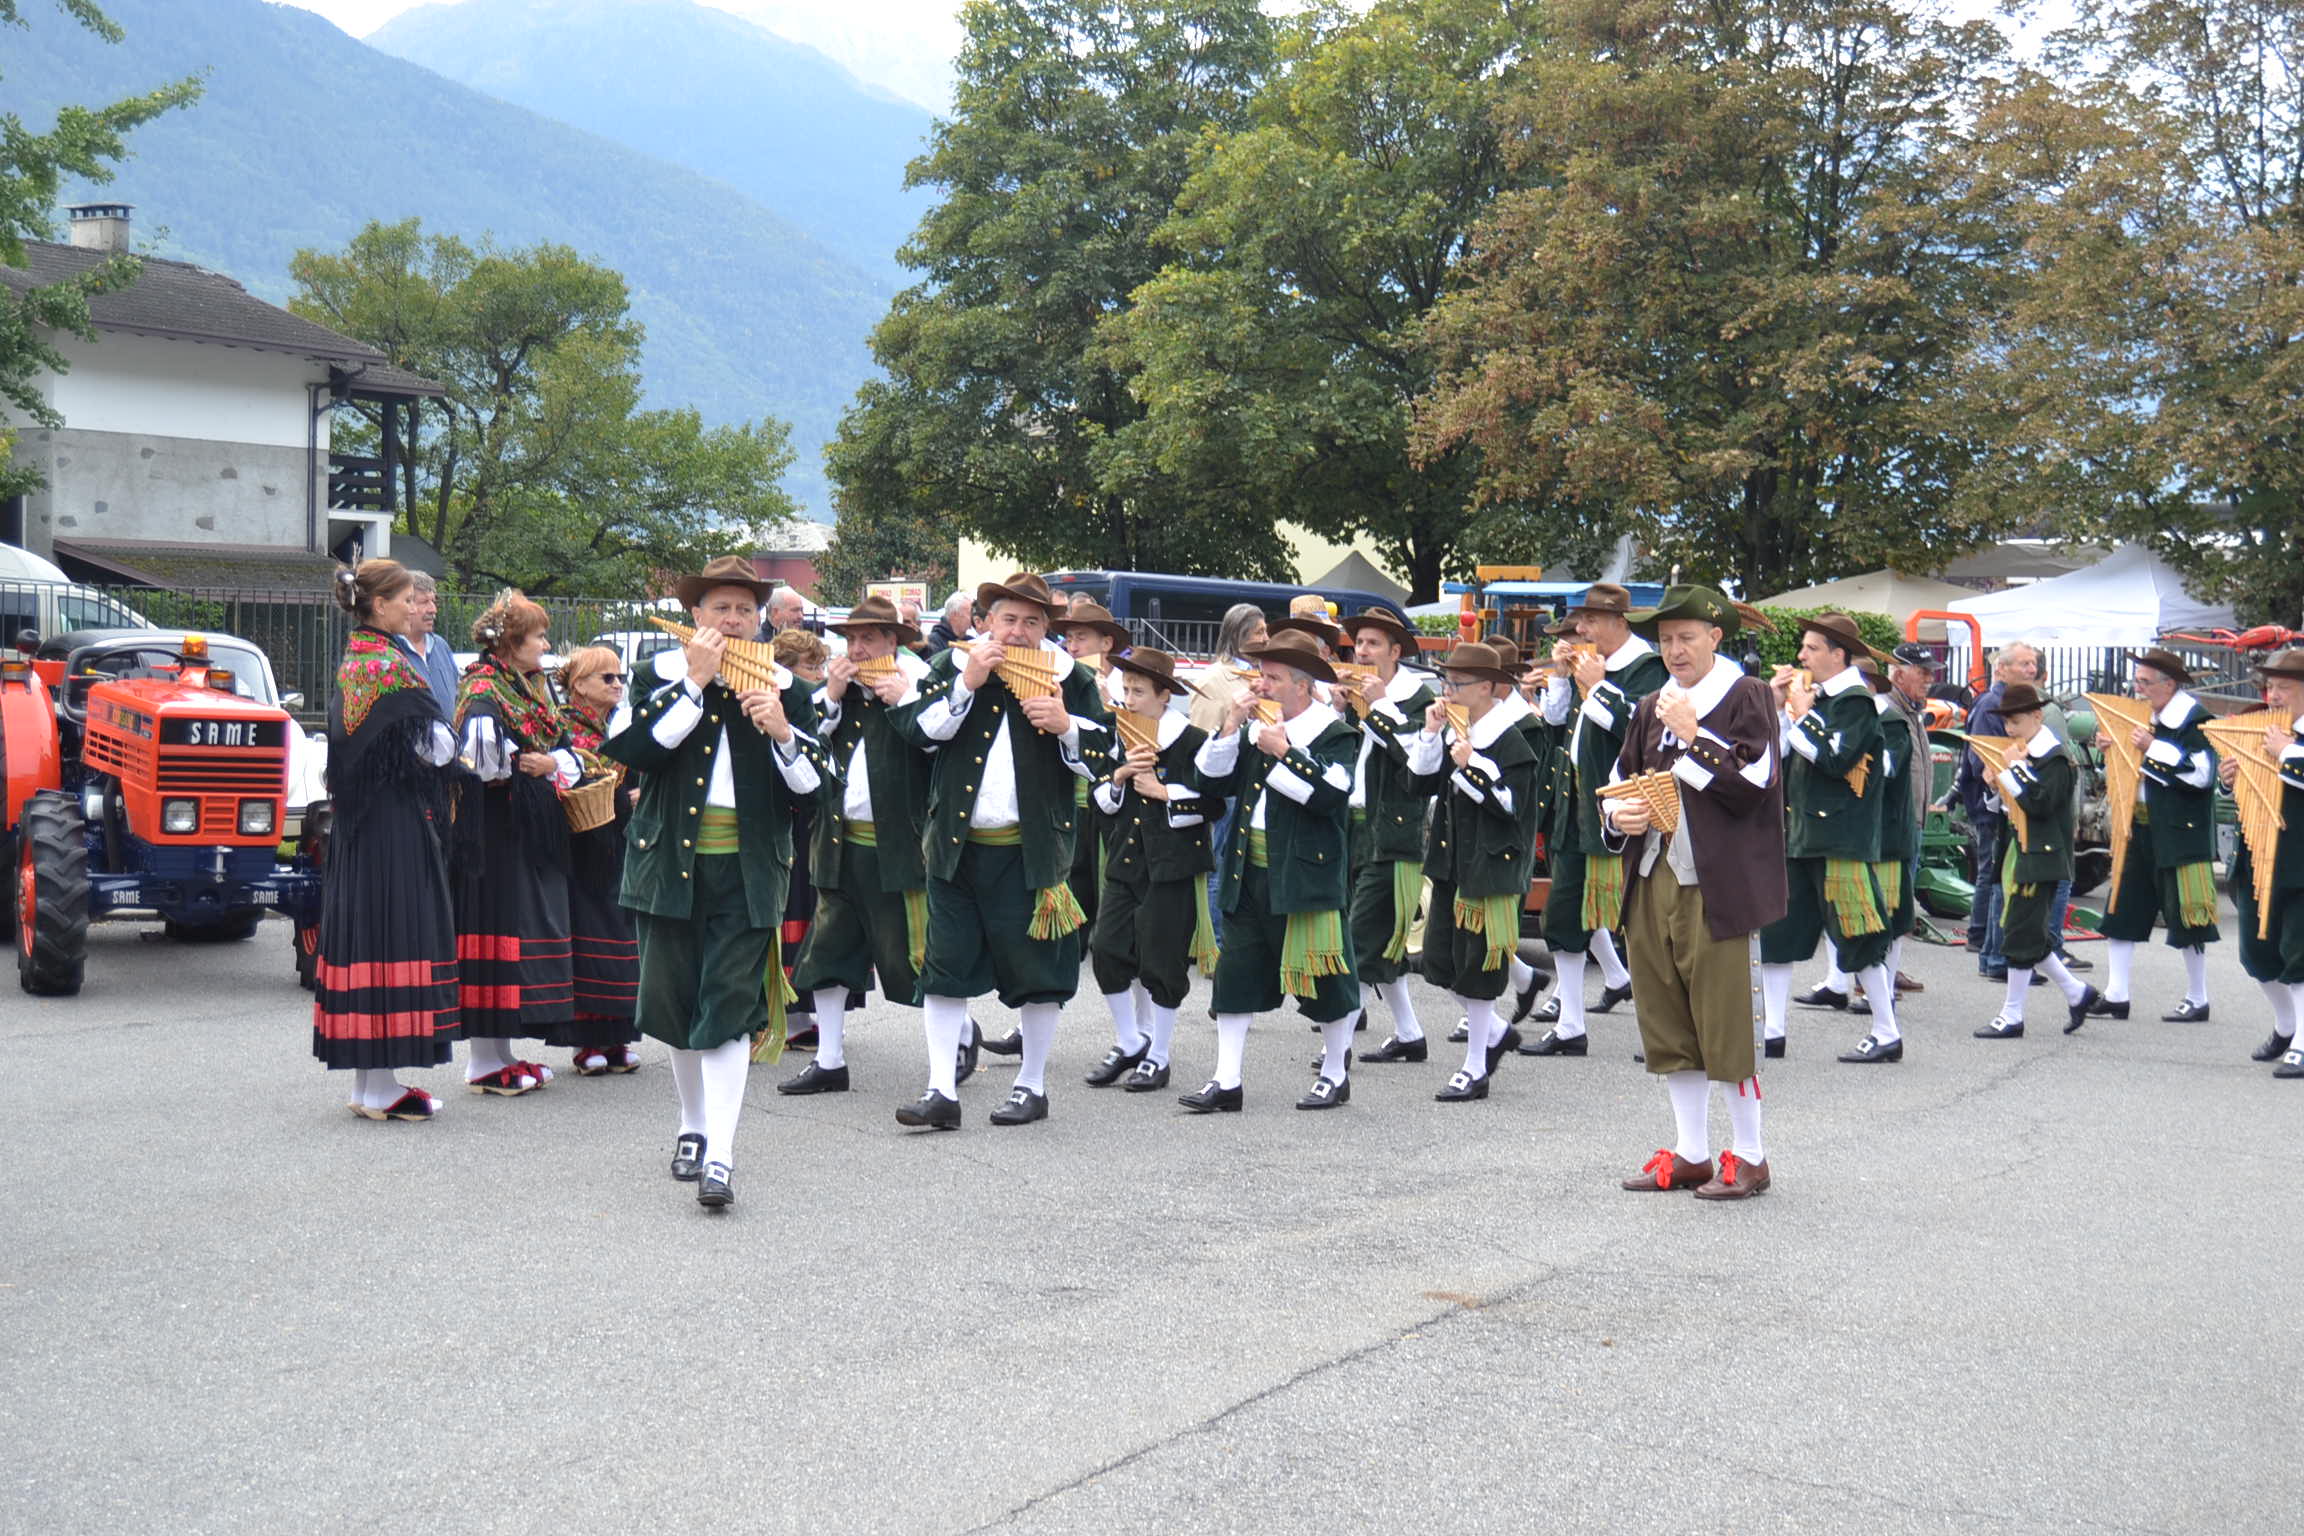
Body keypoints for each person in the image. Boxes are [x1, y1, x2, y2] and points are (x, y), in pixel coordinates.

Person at [603, 555, 826, 1210]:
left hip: (749, 869)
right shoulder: (656, 674)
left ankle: (721, 1155)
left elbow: (816, 790)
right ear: (695, 615)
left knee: (728, 1009)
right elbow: (631, 753)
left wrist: (782, 732)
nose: (733, 620)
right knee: (675, 1006)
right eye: (720, 608)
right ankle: (692, 1124)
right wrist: (695, 683)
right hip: (666, 862)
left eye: (744, 610)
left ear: (759, 620)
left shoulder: (789, 688)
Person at [888, 571, 1113, 1130]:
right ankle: (941, 1089)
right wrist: (967, 684)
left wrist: (1067, 727)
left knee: (1039, 972)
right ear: (986, 622)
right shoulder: (952, 665)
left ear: (1045, 629)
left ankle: (1031, 1085)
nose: (1017, 632)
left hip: (1032, 853)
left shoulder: (1072, 678)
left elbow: (1108, 756)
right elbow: (918, 731)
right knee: (944, 969)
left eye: (1031, 622)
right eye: (1008, 619)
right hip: (956, 849)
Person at [1600, 587, 1785, 1201]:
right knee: (1669, 1019)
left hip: (1717, 883)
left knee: (1726, 1021)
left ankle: (1751, 1156)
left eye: (1686, 637)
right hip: (1652, 875)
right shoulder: (1648, 705)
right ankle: (1691, 1152)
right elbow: (1620, 782)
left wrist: (1695, 734)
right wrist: (1620, 816)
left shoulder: (1747, 696)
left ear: (1715, 637)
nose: (1675, 650)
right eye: (1666, 640)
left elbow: (1756, 784)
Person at [1182, 629, 1363, 1111]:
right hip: (1248, 869)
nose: (1261, 684)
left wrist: (1284, 752)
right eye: (1261, 675)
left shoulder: (1336, 734)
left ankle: (1335, 1072)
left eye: (1273, 677)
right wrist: (1229, 726)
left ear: (1302, 686)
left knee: (1325, 979)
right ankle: (1226, 1080)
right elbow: (1209, 781)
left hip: (1305, 875)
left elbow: (1329, 796)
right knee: (1235, 975)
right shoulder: (1254, 726)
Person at [311, 559, 462, 1120]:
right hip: (393, 823)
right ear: (379, 605)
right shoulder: (389, 667)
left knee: (369, 937)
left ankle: (372, 1084)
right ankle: (377, 1089)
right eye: (403, 599)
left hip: (362, 824)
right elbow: (434, 747)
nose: (412, 606)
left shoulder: (360, 657)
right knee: (393, 935)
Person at [782, 595, 937, 1096]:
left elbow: (939, 744)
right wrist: (830, 693)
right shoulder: (835, 692)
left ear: (893, 641)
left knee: (915, 958)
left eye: (868, 638)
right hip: (838, 843)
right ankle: (829, 1060)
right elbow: (804, 738)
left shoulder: (920, 685)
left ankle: (959, 1040)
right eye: (850, 640)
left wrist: (904, 701)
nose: (856, 649)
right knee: (828, 954)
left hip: (899, 850)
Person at [451, 591, 583, 1097]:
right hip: (494, 833)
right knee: (496, 930)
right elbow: (478, 763)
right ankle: (484, 1060)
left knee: (519, 932)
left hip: (522, 830)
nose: (546, 645)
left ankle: (500, 1052)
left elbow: (563, 748)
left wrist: (547, 763)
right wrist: (517, 764)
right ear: (511, 641)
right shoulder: (484, 689)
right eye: (539, 636)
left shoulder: (525, 688)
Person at [1523, 584, 1660, 1056]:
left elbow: (1639, 730)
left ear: (1619, 622)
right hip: (1577, 808)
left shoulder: (1645, 669)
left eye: (1590, 621)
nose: (1580, 630)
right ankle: (1571, 1025)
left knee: (1641, 924)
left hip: (1625, 814)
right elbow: (1557, 724)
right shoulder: (1593, 664)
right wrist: (1563, 679)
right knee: (1563, 915)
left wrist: (1599, 685)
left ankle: (1663, 1028)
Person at [1756, 613, 1900, 1063]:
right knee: (1777, 933)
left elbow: (1835, 759)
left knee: (1858, 934)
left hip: (1840, 838)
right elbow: (1781, 756)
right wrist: (1780, 710)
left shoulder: (1857, 702)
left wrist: (1803, 714)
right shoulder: (1821, 698)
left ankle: (1886, 1031)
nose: (1801, 656)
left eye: (1812, 648)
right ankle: (1772, 1032)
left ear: (1838, 654)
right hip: (1800, 834)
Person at [1083, 647, 1220, 1093]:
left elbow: (1214, 804)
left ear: (1164, 695)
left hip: (1171, 866)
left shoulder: (1193, 741)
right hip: (1125, 860)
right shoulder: (1118, 734)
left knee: (1162, 961)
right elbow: (1100, 801)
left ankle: (1158, 1055)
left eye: (1139, 691)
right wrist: (1120, 776)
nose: (1129, 699)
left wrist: (1163, 791)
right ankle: (1130, 1041)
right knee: (1106, 949)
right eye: (1125, 690)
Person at [1416, 642, 1539, 1103]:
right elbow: (1419, 782)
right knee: (1437, 962)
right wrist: (1431, 735)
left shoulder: (1512, 741)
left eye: (1457, 684)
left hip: (1490, 868)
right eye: (1446, 683)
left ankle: (1475, 1066)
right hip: (1452, 863)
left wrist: (1474, 765)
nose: (1447, 692)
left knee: (1478, 966)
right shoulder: (1457, 730)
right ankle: (1497, 1033)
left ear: (1487, 687)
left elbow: (1511, 807)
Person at [2089, 648, 2222, 1022]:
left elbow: (2202, 776)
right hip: (2137, 826)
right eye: (2137, 681)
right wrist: (2110, 749)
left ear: (2170, 684)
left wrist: (2152, 748)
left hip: (2180, 831)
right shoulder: (2140, 717)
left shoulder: (2195, 721)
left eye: (2145, 683)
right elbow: (2127, 773)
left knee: (2189, 916)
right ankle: (2117, 994)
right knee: (2122, 909)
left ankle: (2197, 997)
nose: (2138, 689)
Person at [1338, 612, 1442, 1066]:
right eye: (1359, 643)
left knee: (1359, 938)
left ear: (1395, 652)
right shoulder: (1357, 694)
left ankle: (1337, 1047)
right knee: (1382, 943)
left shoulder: (1417, 699)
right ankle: (1410, 1034)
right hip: (1354, 824)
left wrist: (1380, 706)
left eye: (1373, 644)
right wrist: (1339, 710)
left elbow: (1413, 762)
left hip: (1394, 833)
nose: (1362, 652)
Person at [1972, 683, 2102, 1039]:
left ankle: (2012, 1014)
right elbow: (2007, 809)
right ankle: (2077, 992)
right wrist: (1996, 786)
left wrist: (2013, 771)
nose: (2010, 730)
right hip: (2019, 852)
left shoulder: (2056, 759)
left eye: (2015, 722)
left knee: (2019, 932)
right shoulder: (2027, 755)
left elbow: (2040, 804)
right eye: (2006, 723)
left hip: (2043, 857)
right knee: (2028, 931)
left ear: (2037, 717)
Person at [557, 645, 642, 1077]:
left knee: (622, 934)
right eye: (607, 678)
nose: (617, 685)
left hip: (619, 840)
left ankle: (618, 1036)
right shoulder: (562, 728)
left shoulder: (619, 725)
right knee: (589, 938)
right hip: (582, 845)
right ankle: (586, 1041)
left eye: (620, 677)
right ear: (579, 685)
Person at [2226, 649, 2304, 1074]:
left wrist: (2287, 754)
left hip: (2299, 861)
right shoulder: (2262, 730)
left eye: (2283, 688)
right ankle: (2286, 1025)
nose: (2273, 696)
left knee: (2299, 952)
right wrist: (2231, 781)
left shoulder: (2285, 742)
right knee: (2256, 953)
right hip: (2258, 857)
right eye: (2270, 687)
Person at [1952, 642, 2041, 977]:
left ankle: (1986, 941)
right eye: (2024, 664)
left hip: (2004, 793)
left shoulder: (2009, 701)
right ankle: (1982, 938)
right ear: (2001, 669)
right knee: (1993, 870)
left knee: (1994, 870)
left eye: (2033, 663)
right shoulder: (1992, 704)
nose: (2031, 669)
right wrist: (2003, 779)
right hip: (1992, 798)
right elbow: (1982, 758)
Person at [1188, 603, 1270, 946]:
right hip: (1229, 790)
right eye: (1259, 632)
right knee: (1222, 865)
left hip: (1261, 788)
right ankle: (1218, 944)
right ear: (1238, 636)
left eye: (1266, 631)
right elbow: (1200, 741)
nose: (1266, 638)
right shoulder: (1213, 681)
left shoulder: (1267, 675)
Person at [1051, 599, 1134, 935]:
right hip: (1070, 796)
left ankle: (1107, 938)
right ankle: (1077, 939)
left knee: (1107, 876)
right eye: (1069, 639)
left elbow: (1139, 740)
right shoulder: (1063, 679)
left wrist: (1109, 705)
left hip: (1111, 797)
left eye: (1081, 638)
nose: (1072, 647)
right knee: (1075, 873)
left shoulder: (1129, 683)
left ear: (1106, 643)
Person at [771, 627, 832, 1048]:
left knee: (807, 912)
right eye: (812, 667)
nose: (820, 675)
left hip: (810, 822)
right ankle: (783, 1016)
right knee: (787, 911)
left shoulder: (816, 703)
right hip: (784, 822)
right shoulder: (781, 702)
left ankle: (802, 1013)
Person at [392, 569, 460, 716]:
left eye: (433, 601)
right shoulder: (392, 649)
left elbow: (457, 696)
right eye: (424, 602)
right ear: (406, 605)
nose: (433, 610)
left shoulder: (441, 646)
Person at [925, 591, 975, 655]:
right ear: (955, 615)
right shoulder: (932, 643)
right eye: (970, 613)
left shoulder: (971, 641)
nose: (974, 617)